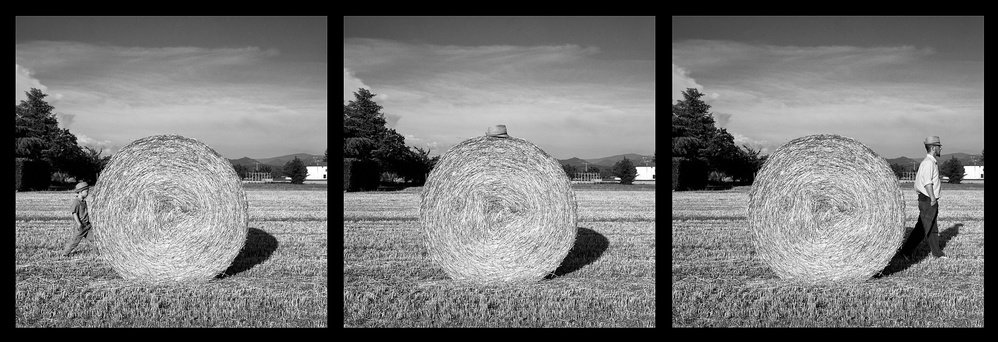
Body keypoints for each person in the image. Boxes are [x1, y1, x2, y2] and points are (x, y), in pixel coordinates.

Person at [898, 136, 947, 260]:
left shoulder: (930, 162)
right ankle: (905, 252)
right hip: (927, 199)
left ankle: (937, 253)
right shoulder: (928, 163)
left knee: (932, 227)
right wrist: (932, 198)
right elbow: (927, 182)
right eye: (939, 146)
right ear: (933, 148)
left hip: (927, 199)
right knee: (922, 229)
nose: (941, 148)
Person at [61, 182, 93, 258]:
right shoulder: (76, 202)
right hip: (81, 226)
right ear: (80, 192)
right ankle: (65, 253)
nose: (88, 193)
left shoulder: (84, 201)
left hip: (87, 225)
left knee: (93, 240)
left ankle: (97, 253)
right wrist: (79, 224)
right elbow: (74, 213)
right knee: (75, 241)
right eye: (86, 191)